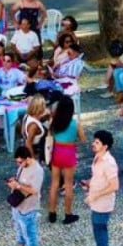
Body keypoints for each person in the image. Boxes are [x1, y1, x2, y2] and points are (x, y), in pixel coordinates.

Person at [83, 130, 119, 246]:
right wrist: (89, 183)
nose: (93, 144)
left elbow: (114, 186)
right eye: (94, 141)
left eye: (97, 142)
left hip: (103, 203)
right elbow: (97, 177)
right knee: (96, 227)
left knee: (100, 229)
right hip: (95, 201)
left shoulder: (109, 163)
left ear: (105, 146)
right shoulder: (98, 157)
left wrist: (96, 194)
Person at [6, 146, 45, 246]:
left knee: (29, 232)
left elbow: (34, 190)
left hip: (29, 207)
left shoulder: (37, 171)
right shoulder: (22, 167)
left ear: (27, 159)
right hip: (18, 204)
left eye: (20, 162)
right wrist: (13, 182)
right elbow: (19, 180)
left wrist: (18, 186)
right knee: (18, 227)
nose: (19, 164)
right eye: (17, 162)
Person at [48, 95, 85, 224]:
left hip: (57, 151)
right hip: (69, 152)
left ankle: (52, 212)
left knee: (54, 183)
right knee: (68, 185)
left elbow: (50, 135)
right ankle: (68, 214)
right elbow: (83, 139)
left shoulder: (54, 122)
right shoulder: (75, 124)